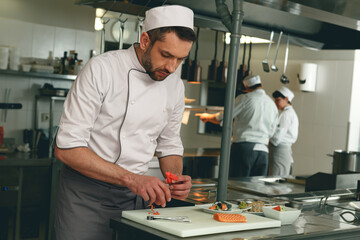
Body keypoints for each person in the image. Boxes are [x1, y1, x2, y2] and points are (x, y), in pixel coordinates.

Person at [53, 5, 196, 239]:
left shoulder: (174, 85)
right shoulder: (102, 69)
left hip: (138, 199)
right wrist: (132, 179)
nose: (171, 67)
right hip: (86, 195)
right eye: (166, 55)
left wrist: (175, 179)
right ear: (145, 40)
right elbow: (67, 148)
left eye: (180, 59)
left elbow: (169, 143)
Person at [196, 75, 278, 177]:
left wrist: (208, 117)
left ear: (246, 88)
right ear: (261, 84)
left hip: (244, 147)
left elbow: (225, 117)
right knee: (258, 186)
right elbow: (273, 130)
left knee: (238, 184)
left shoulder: (244, 98)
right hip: (263, 150)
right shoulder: (272, 104)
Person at [269, 86, 299, 176]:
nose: (275, 103)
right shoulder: (286, 113)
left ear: (286, 99)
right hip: (282, 151)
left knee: (276, 183)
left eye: (278, 100)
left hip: (279, 151)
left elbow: (276, 138)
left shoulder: (287, 114)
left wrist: (266, 139)